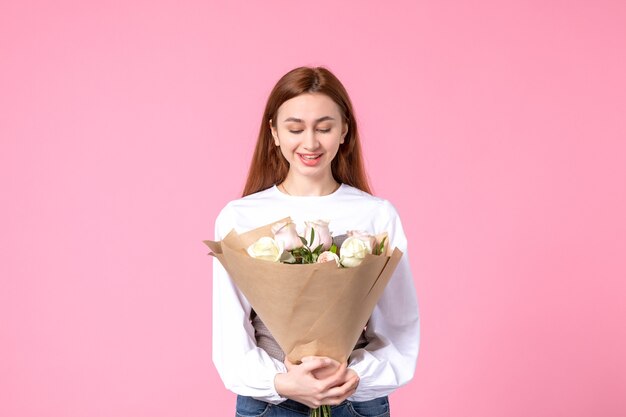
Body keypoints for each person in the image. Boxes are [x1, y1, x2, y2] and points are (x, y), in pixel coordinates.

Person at [212, 66, 420, 417]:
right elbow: (230, 335)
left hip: (355, 402)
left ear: (344, 132)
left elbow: (399, 328)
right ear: (274, 132)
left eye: (324, 128)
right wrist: (283, 382)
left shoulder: (376, 215)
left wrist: (353, 377)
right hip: (270, 404)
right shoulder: (239, 217)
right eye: (295, 129)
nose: (310, 143)